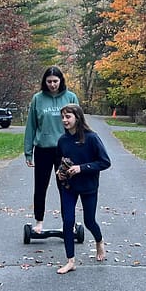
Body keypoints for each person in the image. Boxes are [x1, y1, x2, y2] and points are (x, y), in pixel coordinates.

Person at [54, 104, 110, 274]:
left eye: (68, 116)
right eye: (62, 117)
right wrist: (59, 171)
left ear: (77, 118)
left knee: (89, 221)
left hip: (88, 186)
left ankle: (99, 242)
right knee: (68, 221)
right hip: (69, 186)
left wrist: (81, 168)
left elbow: (105, 162)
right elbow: (59, 160)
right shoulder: (63, 140)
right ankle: (70, 260)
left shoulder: (92, 138)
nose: (64, 120)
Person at [23, 66, 79, 233]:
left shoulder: (70, 97)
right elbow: (31, 126)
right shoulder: (37, 99)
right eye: (49, 82)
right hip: (43, 149)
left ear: (61, 81)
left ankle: (68, 222)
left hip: (65, 150)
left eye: (55, 81)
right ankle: (39, 221)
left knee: (67, 186)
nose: (53, 85)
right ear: (44, 82)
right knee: (40, 186)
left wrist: (80, 147)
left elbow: (79, 125)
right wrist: (28, 151)